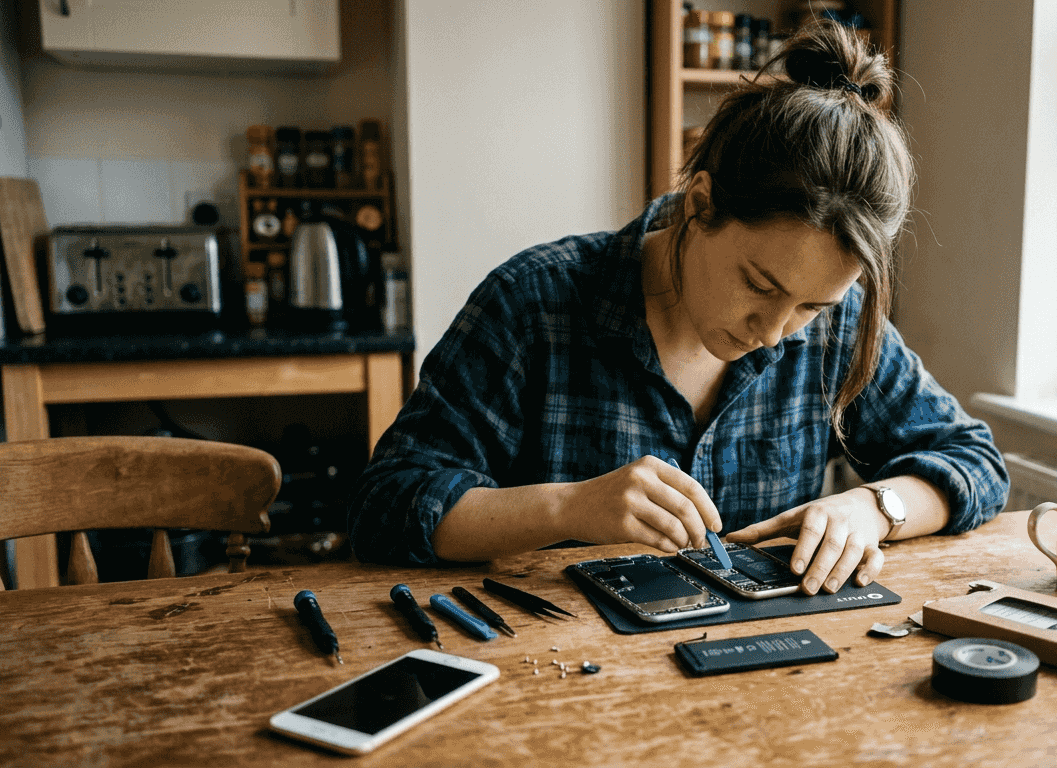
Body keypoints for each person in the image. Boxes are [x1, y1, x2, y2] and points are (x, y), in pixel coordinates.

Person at [349, 21, 1008, 595]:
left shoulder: (836, 325)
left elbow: (974, 462)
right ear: (699, 203)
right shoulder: (535, 303)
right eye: (758, 285)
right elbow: (388, 504)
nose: (775, 334)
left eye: (809, 305)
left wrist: (875, 507)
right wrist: (569, 507)